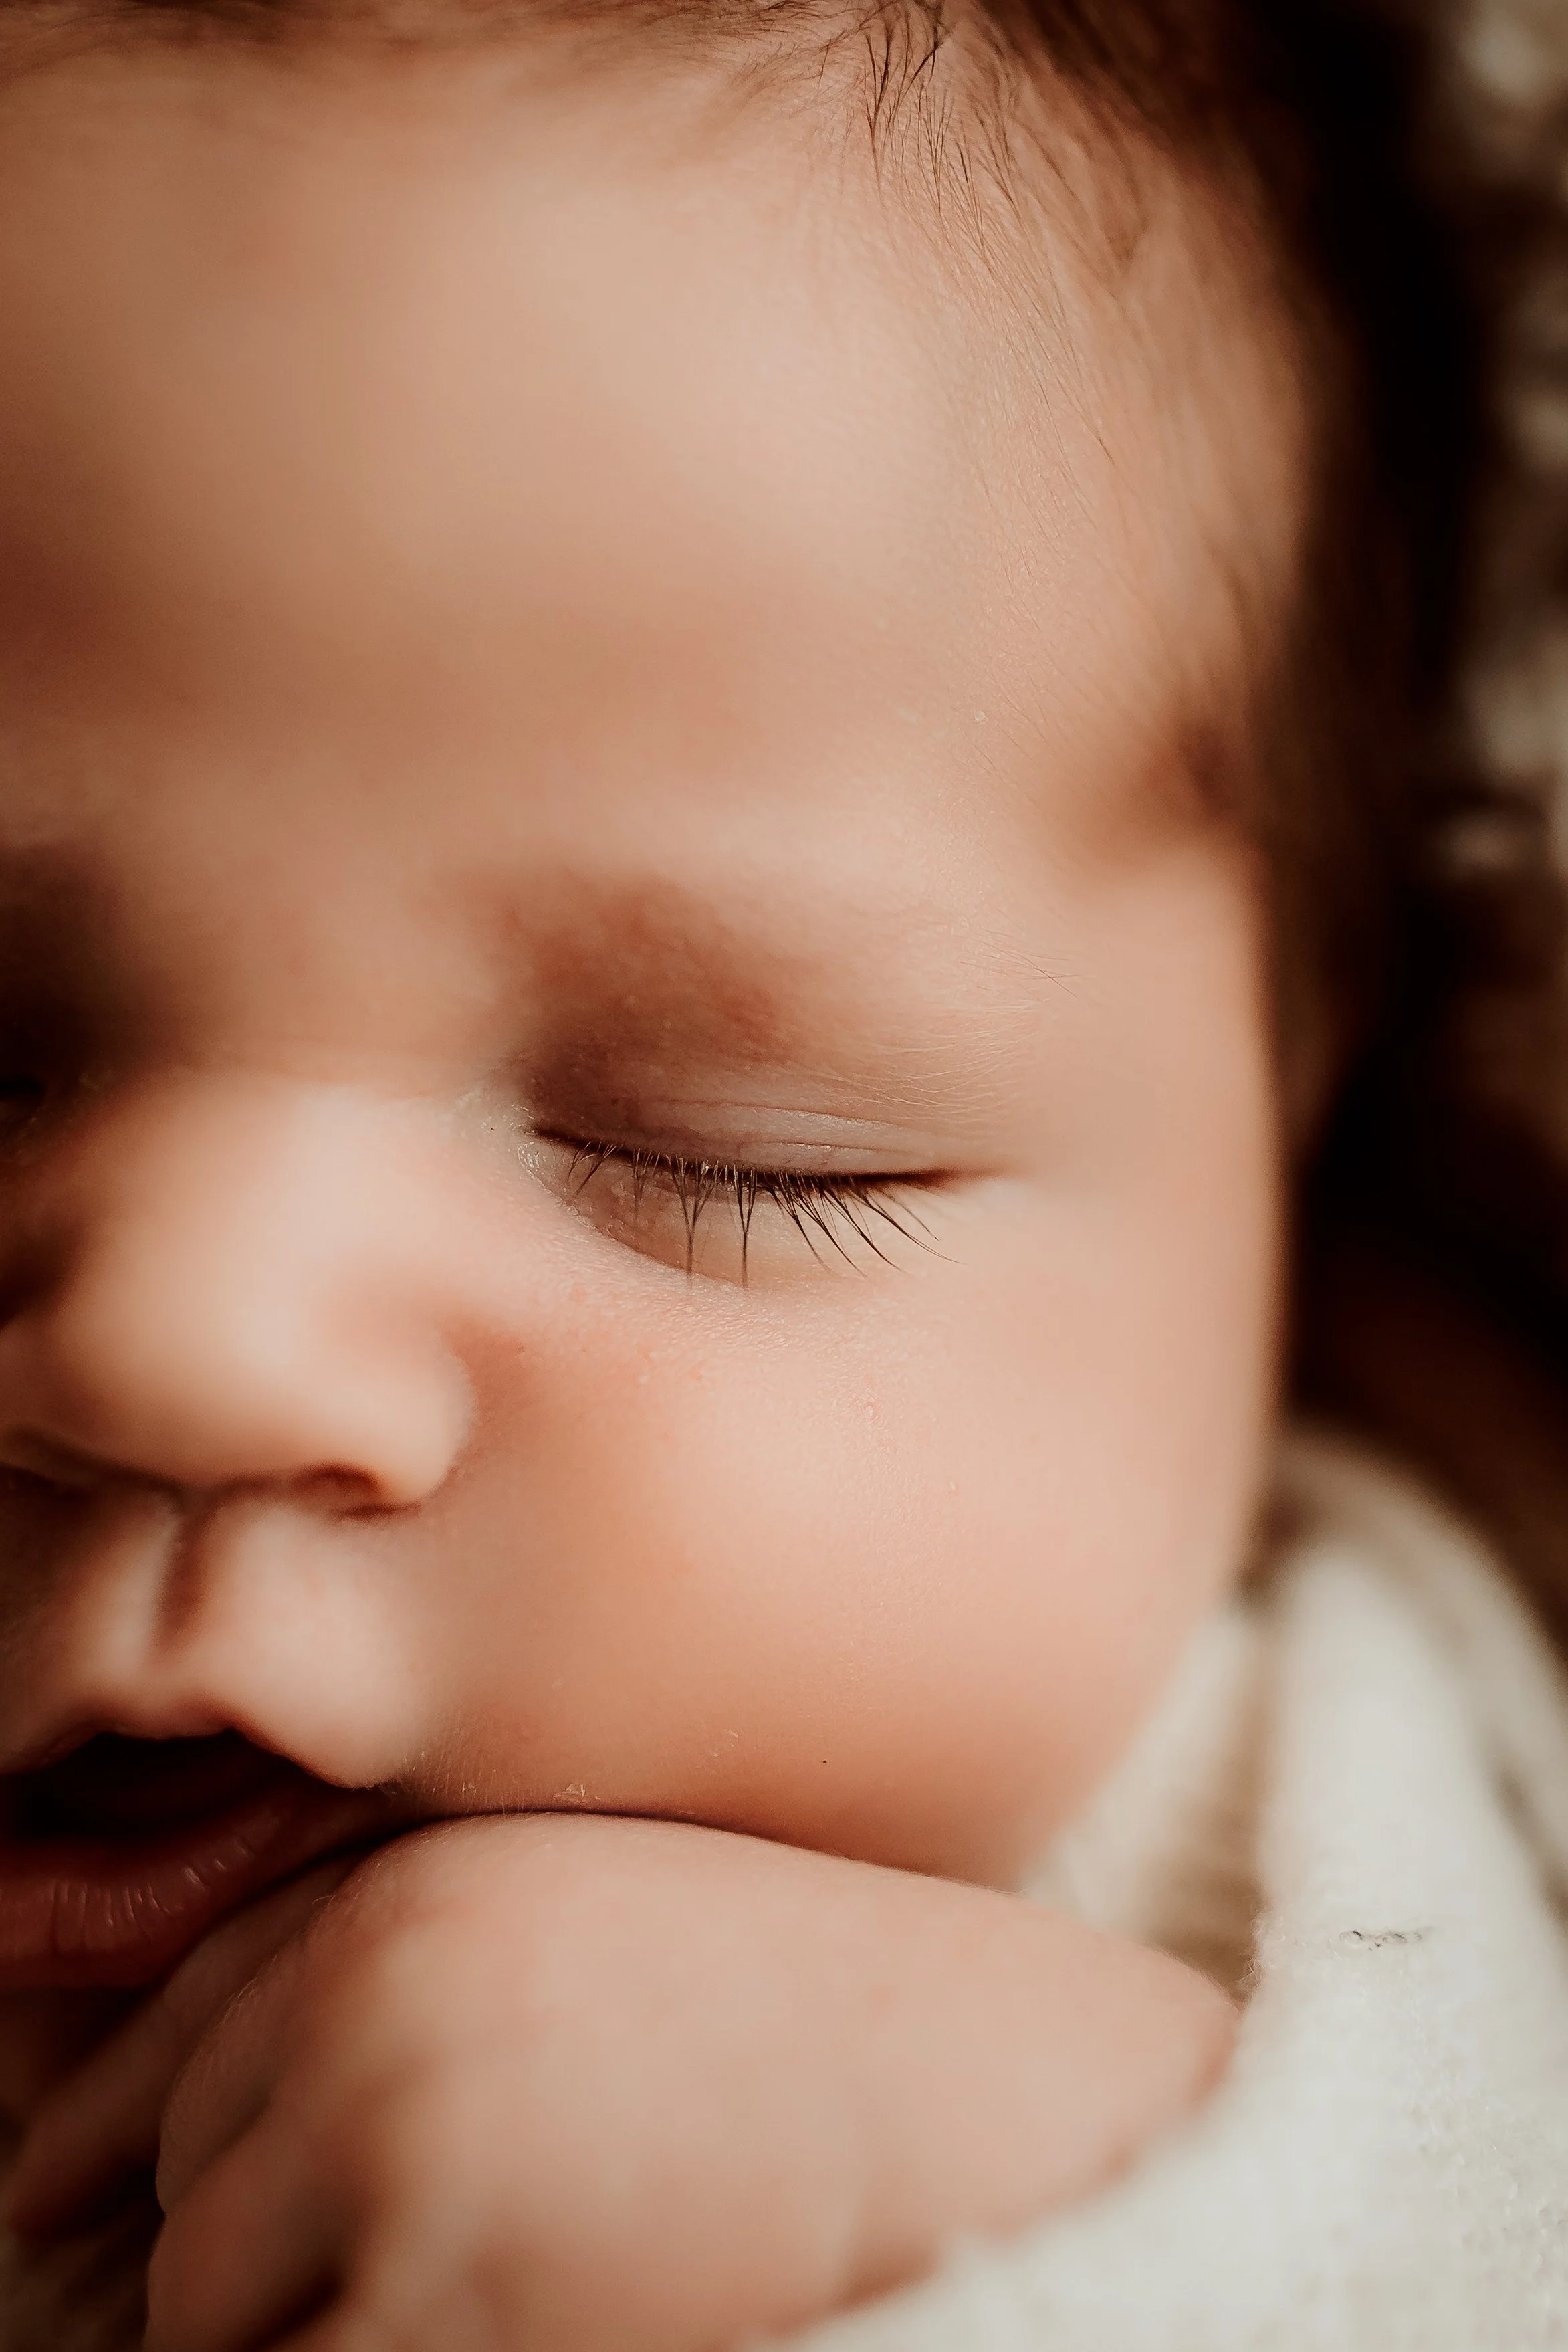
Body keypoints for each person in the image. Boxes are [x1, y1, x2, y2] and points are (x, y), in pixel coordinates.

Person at [0, 0, 1565, 2345]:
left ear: (1289, 1165)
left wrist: (1087, 2167)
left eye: (711, 1148)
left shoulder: (1298, 1895)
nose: (183, 1329)